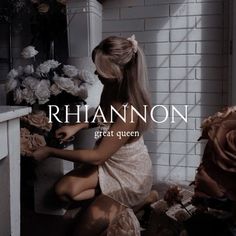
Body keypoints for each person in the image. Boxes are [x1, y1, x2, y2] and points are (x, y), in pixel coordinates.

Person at [32, 35, 157, 236]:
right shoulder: (110, 89)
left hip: (129, 177)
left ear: (118, 72)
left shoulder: (130, 111)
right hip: (109, 165)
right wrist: (78, 127)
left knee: (80, 232)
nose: (95, 72)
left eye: (101, 68)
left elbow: (97, 156)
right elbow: (102, 115)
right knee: (63, 191)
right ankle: (107, 195)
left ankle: (141, 199)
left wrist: (50, 151)